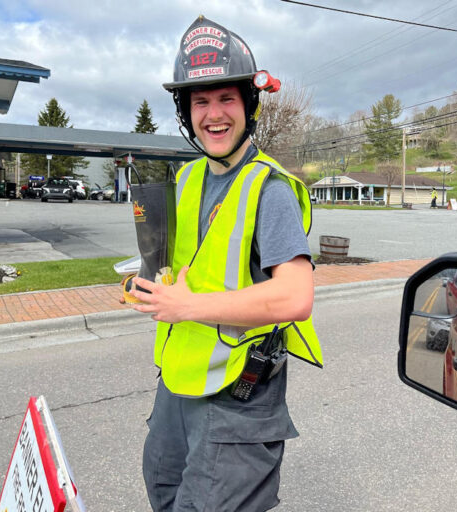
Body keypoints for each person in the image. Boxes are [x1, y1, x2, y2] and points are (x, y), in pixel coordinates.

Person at [128, 16, 324, 511]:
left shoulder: (269, 188)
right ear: (185, 112)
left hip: (239, 395)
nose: (214, 114)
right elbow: (184, 265)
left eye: (226, 99)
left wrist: (188, 306)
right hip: (179, 384)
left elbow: (296, 296)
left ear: (249, 105)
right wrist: (147, 285)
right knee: (165, 491)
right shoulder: (188, 178)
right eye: (200, 101)